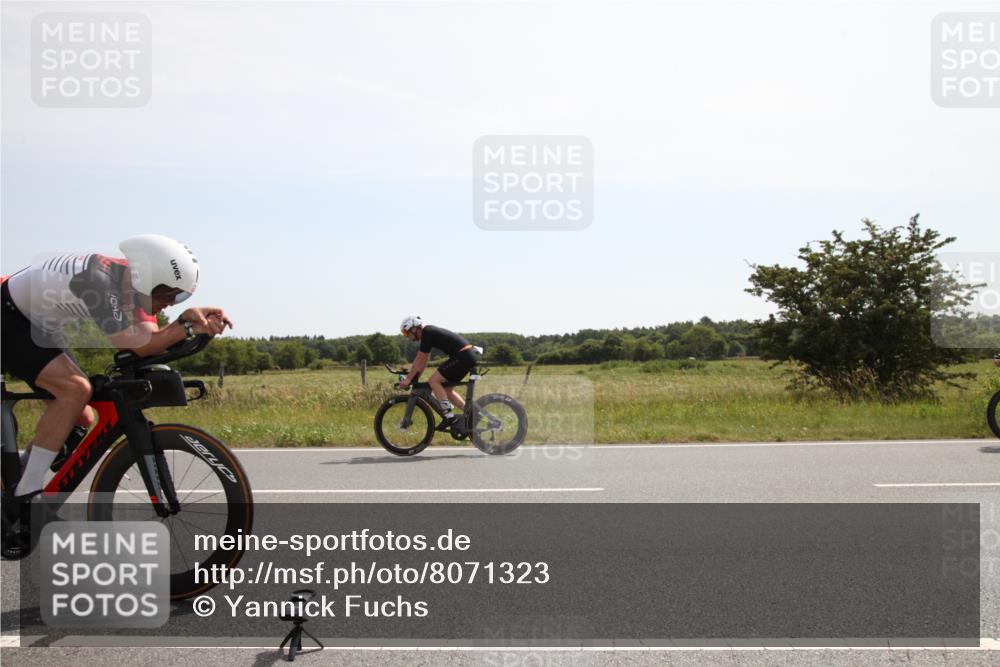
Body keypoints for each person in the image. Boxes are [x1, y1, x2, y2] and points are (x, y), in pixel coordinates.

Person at [1, 234, 232, 523]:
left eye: (178, 296)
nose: (170, 303)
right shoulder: (98, 281)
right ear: (146, 278)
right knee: (75, 390)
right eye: (167, 294)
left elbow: (149, 343)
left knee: (80, 415)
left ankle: (12, 486)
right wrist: (185, 324)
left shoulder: (132, 285)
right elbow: (134, 344)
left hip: (36, 323)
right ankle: (25, 496)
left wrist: (189, 325)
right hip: (8, 314)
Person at [398, 316, 478, 428]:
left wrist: (408, 379)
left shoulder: (427, 332)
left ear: (414, 329)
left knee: (433, 381)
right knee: (446, 390)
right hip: (466, 356)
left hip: (463, 356)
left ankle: (450, 417)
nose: (407, 337)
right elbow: (424, 361)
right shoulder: (428, 333)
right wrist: (414, 377)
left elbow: (420, 358)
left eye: (407, 333)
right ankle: (471, 413)